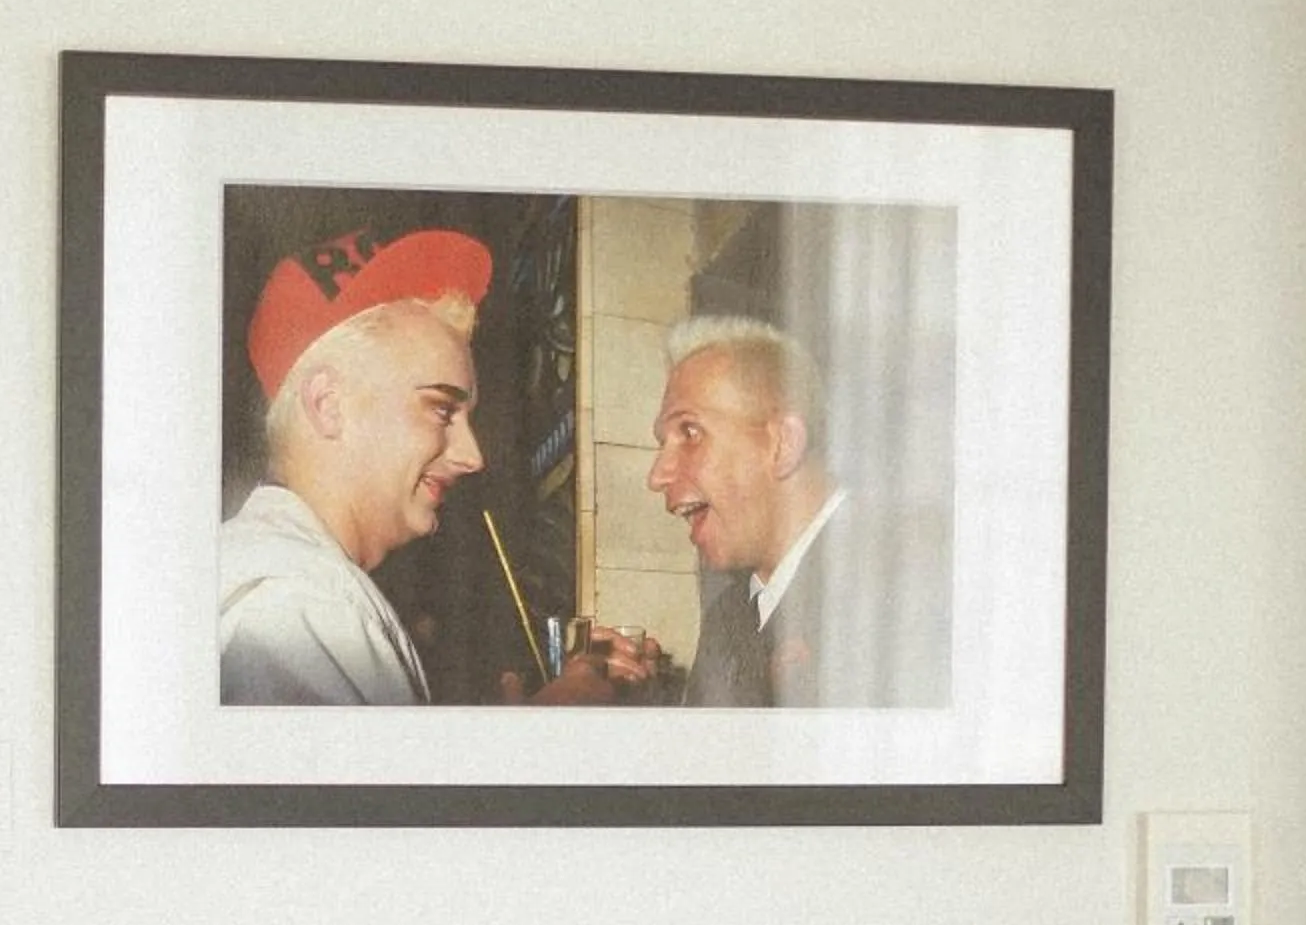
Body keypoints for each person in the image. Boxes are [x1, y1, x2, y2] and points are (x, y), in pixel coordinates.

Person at [220, 225, 658, 706]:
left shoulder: (310, 590)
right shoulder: (296, 609)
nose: (473, 457)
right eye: (441, 409)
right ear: (328, 405)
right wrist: (546, 734)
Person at [646, 315, 950, 708]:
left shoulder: (914, 582)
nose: (657, 476)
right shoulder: (728, 616)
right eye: (663, 442)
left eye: (689, 432)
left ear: (783, 444)